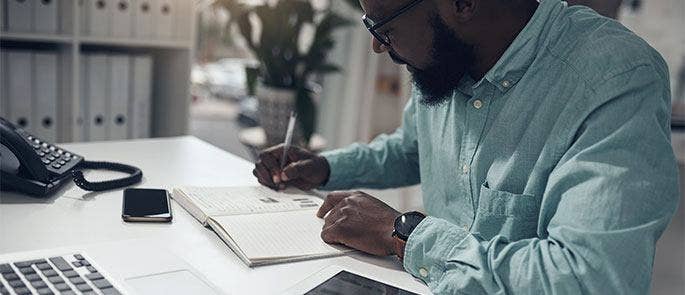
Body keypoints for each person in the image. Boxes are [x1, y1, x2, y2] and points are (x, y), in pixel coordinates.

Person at [253, 0, 679, 293]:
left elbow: (591, 280)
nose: (377, 45)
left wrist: (401, 233)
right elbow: (411, 148)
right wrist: (324, 167)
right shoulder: (450, 56)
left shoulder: (614, 79)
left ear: (462, 3)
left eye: (383, 25)